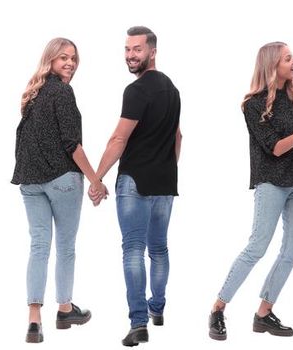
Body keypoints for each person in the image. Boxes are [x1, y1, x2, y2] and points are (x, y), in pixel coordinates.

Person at [208, 41, 293, 341]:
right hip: (271, 182)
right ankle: (218, 307)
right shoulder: (253, 104)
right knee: (257, 247)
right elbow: (277, 148)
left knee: (291, 251)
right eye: (288, 58)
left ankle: (263, 314)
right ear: (273, 65)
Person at [88, 26, 182, 347]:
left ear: (152, 51)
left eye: (137, 49)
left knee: (133, 250)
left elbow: (118, 139)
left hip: (135, 182)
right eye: (127, 49)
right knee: (158, 249)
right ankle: (158, 309)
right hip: (165, 183)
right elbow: (178, 137)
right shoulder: (172, 89)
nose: (131, 55)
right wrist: (168, 169)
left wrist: (97, 177)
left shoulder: (137, 90)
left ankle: (138, 322)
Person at [11, 37, 98, 344]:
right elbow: (71, 144)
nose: (70, 63)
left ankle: (34, 319)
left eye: (73, 58)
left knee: (38, 247)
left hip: (30, 181)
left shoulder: (32, 94)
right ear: (50, 59)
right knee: (65, 246)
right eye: (63, 58)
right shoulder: (63, 91)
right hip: (61, 179)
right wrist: (96, 180)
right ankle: (64, 308)